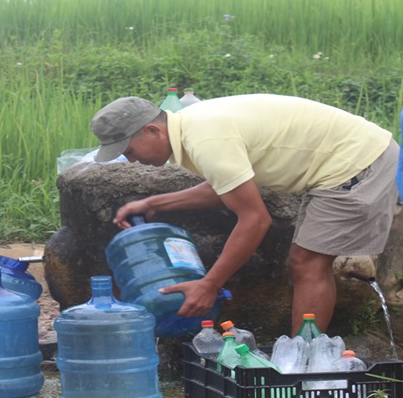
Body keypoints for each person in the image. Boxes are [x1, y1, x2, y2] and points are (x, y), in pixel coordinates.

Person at [91, 94, 399, 335]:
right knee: (307, 263)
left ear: (152, 130)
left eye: (130, 150)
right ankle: (307, 354)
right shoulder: (192, 127)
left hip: (357, 161)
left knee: (308, 263)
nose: (130, 160)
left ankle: (306, 362)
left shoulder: (206, 140)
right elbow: (226, 186)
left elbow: (256, 219)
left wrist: (209, 285)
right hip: (341, 160)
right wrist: (155, 204)